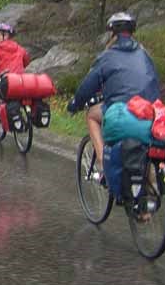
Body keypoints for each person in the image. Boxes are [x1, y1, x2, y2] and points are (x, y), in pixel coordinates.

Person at [66, 11, 160, 184]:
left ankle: (103, 164)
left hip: (121, 112)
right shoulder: (145, 55)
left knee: (92, 115)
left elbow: (88, 86)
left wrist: (75, 103)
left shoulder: (107, 57)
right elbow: (154, 84)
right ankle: (145, 205)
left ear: (112, 35)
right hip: (149, 114)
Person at [0, 21, 31, 104]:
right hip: (21, 80)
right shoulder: (20, 48)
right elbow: (26, 61)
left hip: (7, 80)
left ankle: (2, 112)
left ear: (6, 36)